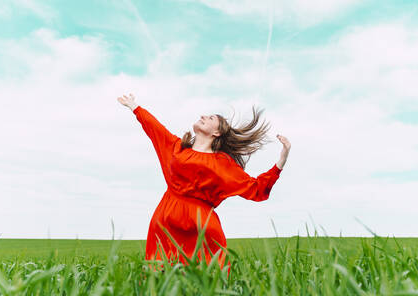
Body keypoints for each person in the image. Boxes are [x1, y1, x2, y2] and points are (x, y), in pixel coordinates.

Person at [117, 93, 291, 276]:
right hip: (165, 221)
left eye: (210, 118)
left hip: (201, 225)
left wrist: (282, 159)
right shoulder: (177, 148)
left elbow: (255, 188)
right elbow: (155, 128)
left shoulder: (222, 163)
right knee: (158, 274)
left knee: (205, 278)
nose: (202, 117)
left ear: (217, 132)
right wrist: (135, 107)